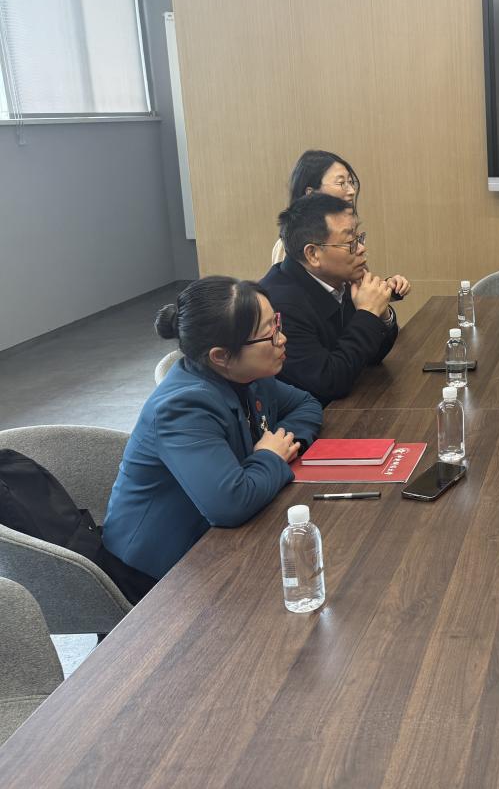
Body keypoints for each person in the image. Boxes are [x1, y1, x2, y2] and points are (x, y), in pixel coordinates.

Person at [102, 277, 322, 596]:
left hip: (220, 538)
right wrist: (270, 456)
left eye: (277, 323)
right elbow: (230, 504)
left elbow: (307, 404)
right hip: (157, 575)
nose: (282, 338)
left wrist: (279, 443)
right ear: (221, 356)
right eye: (269, 333)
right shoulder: (183, 407)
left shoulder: (249, 374)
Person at [259, 192, 398, 404]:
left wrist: (381, 312)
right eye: (350, 242)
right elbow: (329, 382)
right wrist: (368, 313)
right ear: (313, 254)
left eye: (359, 238)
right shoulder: (281, 305)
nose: (362, 248)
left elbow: (372, 356)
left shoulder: (338, 279)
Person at [269, 150, 412, 304]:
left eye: (351, 182)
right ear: (311, 193)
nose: (352, 191)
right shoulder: (288, 247)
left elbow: (356, 292)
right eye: (341, 183)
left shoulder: (345, 231)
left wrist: (385, 289)